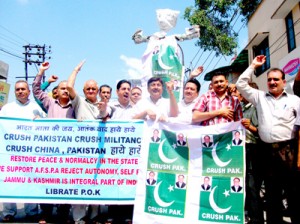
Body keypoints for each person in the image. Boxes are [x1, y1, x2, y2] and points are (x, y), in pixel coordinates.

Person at [236, 55, 300, 224]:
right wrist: (253, 66)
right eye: (270, 79)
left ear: (284, 82)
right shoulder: (260, 97)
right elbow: (240, 84)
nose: (272, 82)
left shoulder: (295, 101)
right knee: (272, 195)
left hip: (289, 152)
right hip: (267, 152)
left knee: (293, 193)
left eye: (276, 79)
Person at [33, 62, 75, 224]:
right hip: (50, 152)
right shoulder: (49, 103)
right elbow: (36, 91)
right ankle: (46, 213)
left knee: (66, 184)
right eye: (62, 88)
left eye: (67, 88)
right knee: (46, 182)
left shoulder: (75, 106)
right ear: (56, 92)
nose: (65, 90)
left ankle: (63, 213)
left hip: (68, 153)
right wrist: (42, 72)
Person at [0, 80, 44, 223]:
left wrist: (41, 121)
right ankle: (8, 212)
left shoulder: (36, 107)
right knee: (9, 180)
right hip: (11, 153)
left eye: (23, 89)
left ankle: (31, 211)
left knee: (30, 181)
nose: (20, 91)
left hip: (30, 154)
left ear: (28, 91)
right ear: (14, 92)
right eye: (17, 89)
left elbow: (46, 126)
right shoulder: (7, 108)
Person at [67, 60, 101, 224]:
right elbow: (68, 87)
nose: (91, 91)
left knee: (97, 184)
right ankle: (79, 217)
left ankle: (94, 215)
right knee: (79, 184)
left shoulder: (106, 106)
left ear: (98, 90)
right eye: (88, 88)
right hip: (81, 151)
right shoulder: (79, 102)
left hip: (99, 153)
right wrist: (75, 70)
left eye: (94, 88)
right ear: (83, 91)